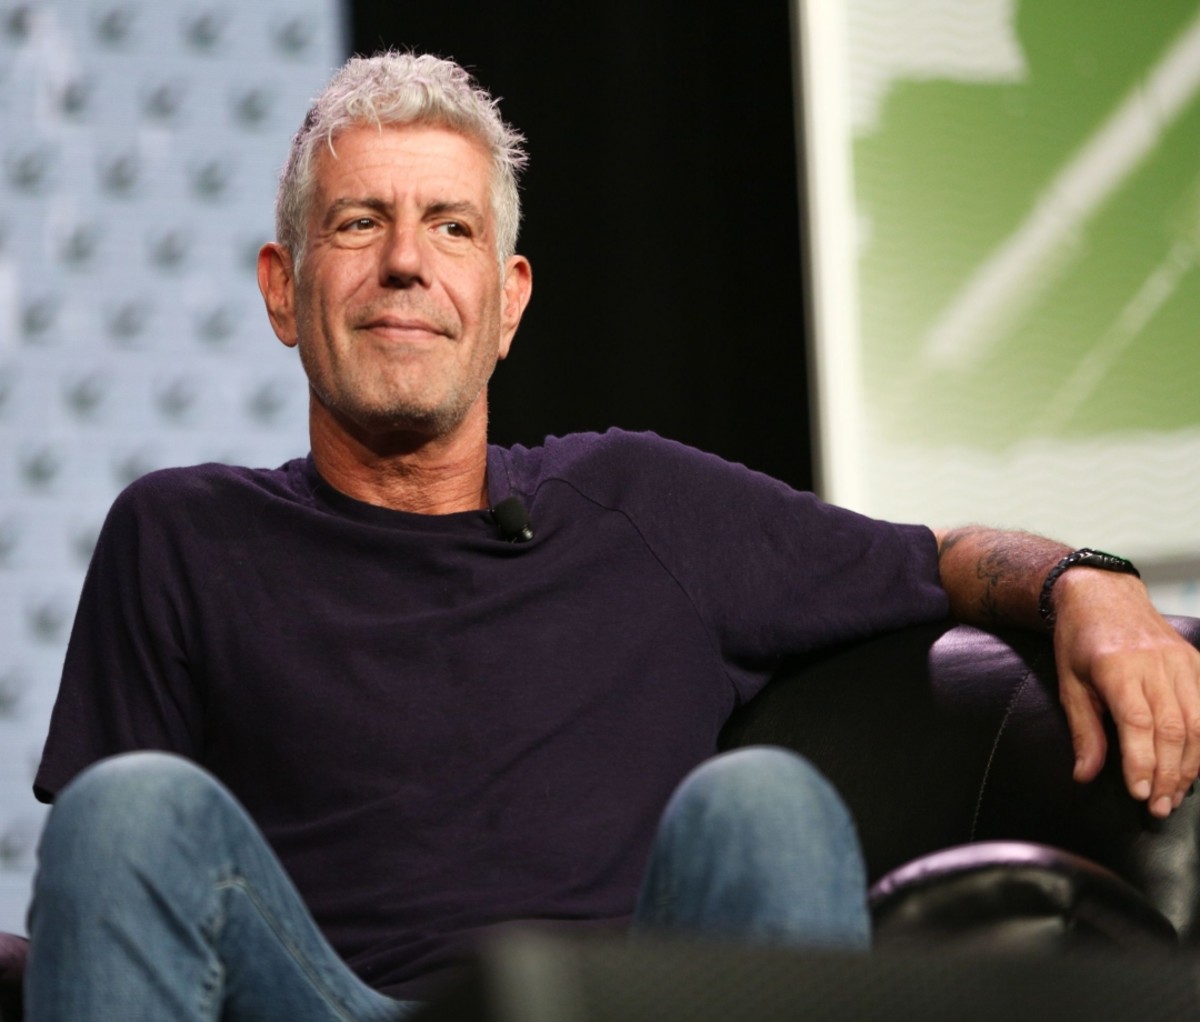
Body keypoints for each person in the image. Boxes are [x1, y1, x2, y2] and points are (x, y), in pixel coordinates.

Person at [23, 51, 1200, 1021]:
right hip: (329, 1003)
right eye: (359, 221)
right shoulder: (182, 533)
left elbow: (932, 556)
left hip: (610, 1005)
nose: (403, 262)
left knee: (765, 806)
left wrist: (1087, 585)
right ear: (283, 289)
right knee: (122, 807)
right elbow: (119, 909)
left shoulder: (644, 501)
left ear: (509, 299)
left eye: (449, 227)